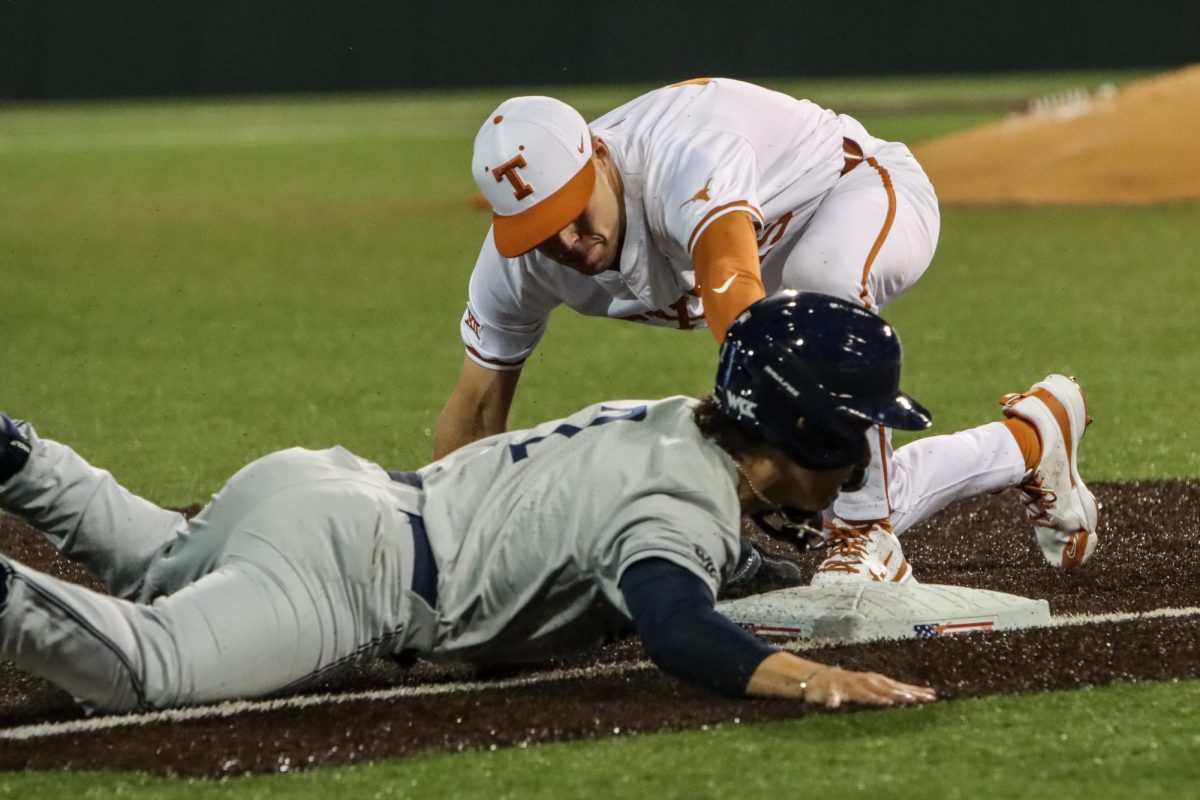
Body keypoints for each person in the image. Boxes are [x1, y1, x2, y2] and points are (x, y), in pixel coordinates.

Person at [0, 293, 938, 714]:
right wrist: (812, 678)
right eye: (854, 432)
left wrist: (767, 576)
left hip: (314, 493)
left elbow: (693, 557)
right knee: (148, 664)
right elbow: (676, 628)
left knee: (163, 565)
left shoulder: (667, 424)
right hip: (355, 576)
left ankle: (19, 457)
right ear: (804, 433)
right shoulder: (679, 512)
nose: (861, 451)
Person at [438, 77, 1098, 581]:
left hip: (854, 193)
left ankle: (865, 536)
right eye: (541, 233)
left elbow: (731, 280)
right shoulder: (519, 264)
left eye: (574, 212)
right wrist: (447, 552)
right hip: (763, 265)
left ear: (600, 157)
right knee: (787, 468)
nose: (570, 243)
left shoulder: (682, 157)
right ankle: (1026, 442)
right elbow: (474, 411)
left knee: (820, 296)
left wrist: (767, 429)